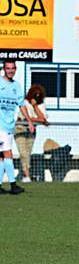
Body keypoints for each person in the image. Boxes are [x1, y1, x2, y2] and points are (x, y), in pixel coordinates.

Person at [0, 61, 31, 194]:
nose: (10, 71)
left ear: (15, 69)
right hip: (0, 126)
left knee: (2, 156)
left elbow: (21, 105)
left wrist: (29, 121)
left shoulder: (17, 86)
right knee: (8, 153)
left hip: (8, 126)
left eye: (12, 68)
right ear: (4, 69)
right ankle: (13, 185)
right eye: (8, 68)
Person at [14, 83, 49, 183]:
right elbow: (25, 118)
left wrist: (35, 107)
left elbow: (43, 119)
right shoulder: (24, 102)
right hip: (20, 129)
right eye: (34, 95)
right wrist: (35, 119)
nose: (36, 97)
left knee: (28, 153)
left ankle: (25, 174)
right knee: (23, 153)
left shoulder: (41, 105)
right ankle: (27, 176)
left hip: (31, 131)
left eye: (38, 96)